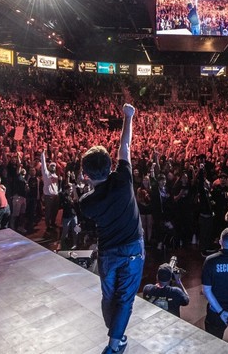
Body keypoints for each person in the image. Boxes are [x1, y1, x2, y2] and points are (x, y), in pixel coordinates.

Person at [78, 103, 144, 354]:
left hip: (108, 254)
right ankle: (114, 345)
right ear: (109, 166)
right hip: (132, 250)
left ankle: (117, 335)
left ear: (86, 174)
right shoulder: (123, 180)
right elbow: (124, 146)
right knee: (125, 299)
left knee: (109, 297)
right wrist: (128, 117)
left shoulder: (86, 203)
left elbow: (92, 195)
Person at [41, 150, 61, 230]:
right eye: (51, 166)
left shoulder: (56, 175)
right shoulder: (46, 174)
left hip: (55, 195)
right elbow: (43, 165)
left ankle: (53, 222)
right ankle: (48, 225)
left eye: (54, 166)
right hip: (48, 196)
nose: (53, 167)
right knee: (48, 211)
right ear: (49, 167)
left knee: (55, 211)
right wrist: (43, 154)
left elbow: (56, 186)